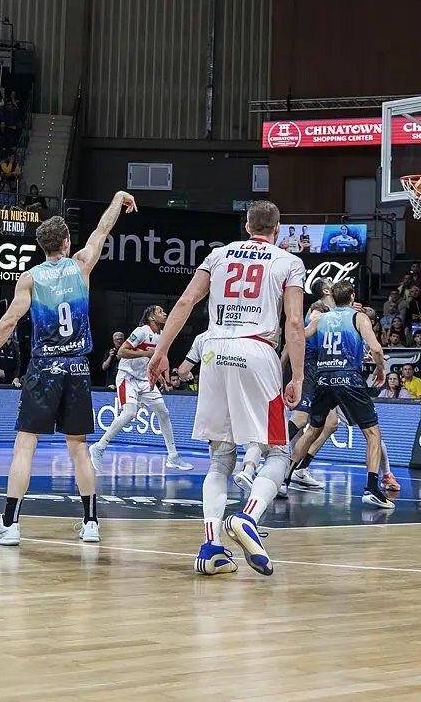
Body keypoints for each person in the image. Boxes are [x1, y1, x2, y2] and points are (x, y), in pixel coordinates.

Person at [0, 191, 137, 547]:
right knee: (79, 448)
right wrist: (118, 198)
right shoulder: (81, 265)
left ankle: (10, 525)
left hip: (45, 368)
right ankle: (91, 523)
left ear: (41, 246)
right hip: (78, 368)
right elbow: (102, 230)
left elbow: (10, 320)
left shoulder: (30, 279)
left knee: (24, 446)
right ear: (66, 241)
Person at [148, 200, 306, 577]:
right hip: (257, 349)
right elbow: (295, 323)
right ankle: (248, 519)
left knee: (220, 458)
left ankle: (211, 548)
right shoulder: (288, 262)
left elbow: (185, 301)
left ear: (247, 225)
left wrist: (161, 350)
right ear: (277, 229)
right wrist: (297, 377)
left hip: (214, 350)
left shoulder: (219, 255)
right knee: (280, 453)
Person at [302, 281, 392, 508]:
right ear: (352, 295)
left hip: (322, 377)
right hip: (348, 378)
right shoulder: (357, 317)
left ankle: (286, 474)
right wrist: (381, 369)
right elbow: (377, 349)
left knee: (314, 429)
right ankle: (372, 488)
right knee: (373, 434)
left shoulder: (321, 317)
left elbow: (299, 337)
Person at [89, 305, 193, 471]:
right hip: (127, 377)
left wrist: (160, 378)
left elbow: (150, 362)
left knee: (164, 413)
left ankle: (173, 457)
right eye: (160, 312)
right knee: (129, 413)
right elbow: (121, 352)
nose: (164, 313)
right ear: (151, 317)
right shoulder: (141, 331)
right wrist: (146, 354)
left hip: (144, 379)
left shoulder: (160, 336)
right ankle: (99, 447)